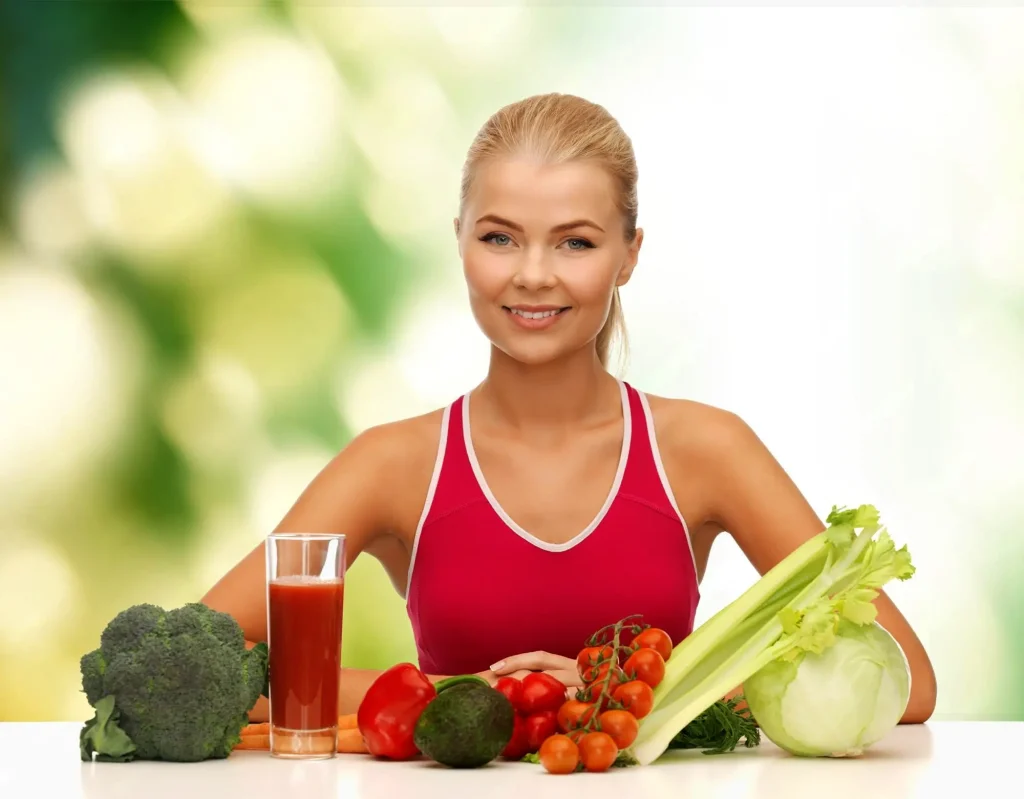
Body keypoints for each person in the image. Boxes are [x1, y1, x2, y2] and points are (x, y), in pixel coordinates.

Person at [202, 92, 937, 723]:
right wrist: (465, 698)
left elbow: (906, 678)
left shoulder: (706, 448)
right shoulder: (394, 463)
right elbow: (202, 660)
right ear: (458, 241)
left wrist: (628, 695)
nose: (532, 274)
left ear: (629, 255)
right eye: (499, 237)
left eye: (575, 242)